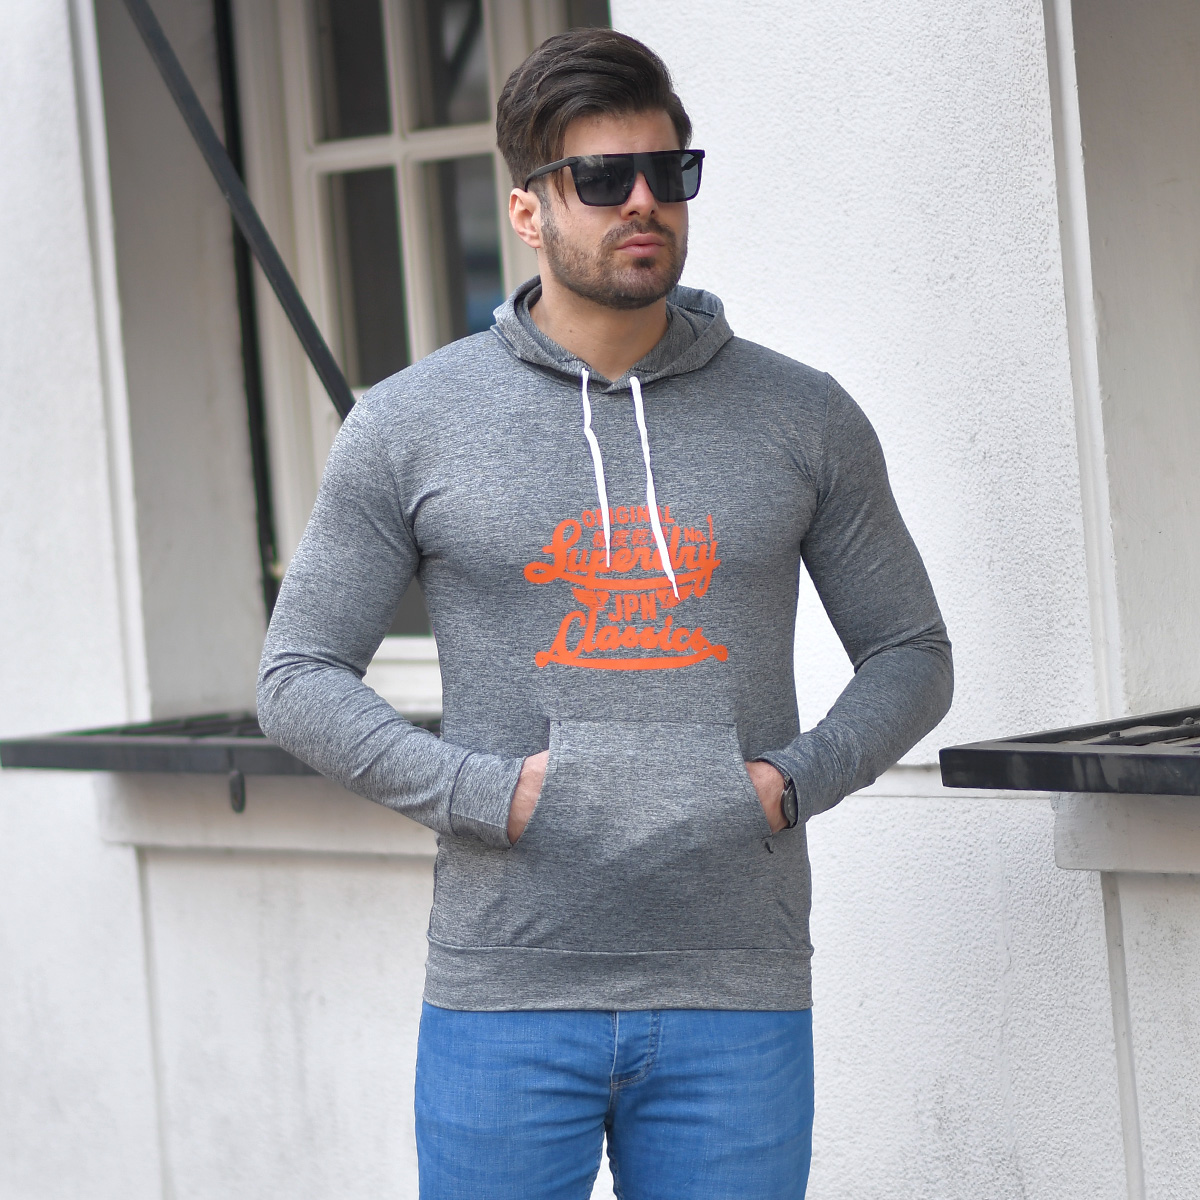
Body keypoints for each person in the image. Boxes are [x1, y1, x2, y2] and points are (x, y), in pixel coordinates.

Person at [257, 27, 952, 1200]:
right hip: (505, 993)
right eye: (602, 177)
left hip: (736, 987)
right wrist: (482, 791)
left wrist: (790, 783)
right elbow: (298, 677)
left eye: (668, 173)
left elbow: (911, 653)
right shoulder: (411, 423)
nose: (644, 201)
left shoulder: (803, 416)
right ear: (528, 210)